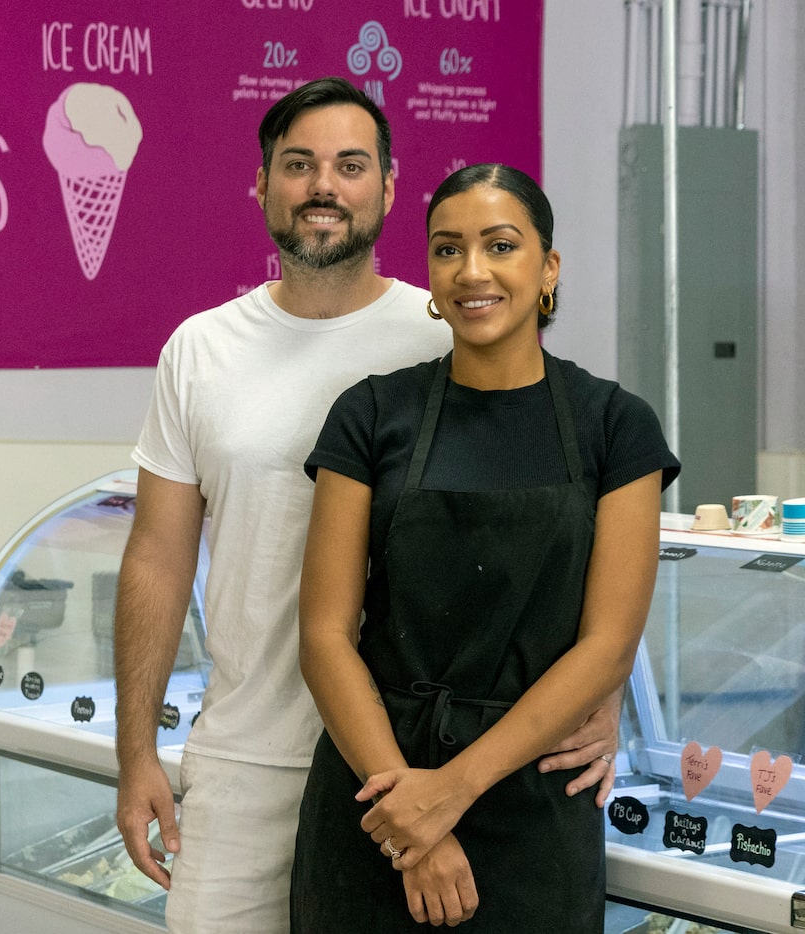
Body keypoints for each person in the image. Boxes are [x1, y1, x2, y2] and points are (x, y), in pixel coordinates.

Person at [113, 79, 625, 933]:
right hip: (244, 758)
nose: (323, 185)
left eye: (350, 166)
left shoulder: (454, 332)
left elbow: (555, 535)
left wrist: (601, 692)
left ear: (388, 190)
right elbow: (157, 559)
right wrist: (135, 754)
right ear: (262, 184)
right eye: (298, 164)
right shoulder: (200, 350)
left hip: (425, 770)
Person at [291, 163, 681, 931]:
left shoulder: (614, 427)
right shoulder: (370, 415)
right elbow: (323, 635)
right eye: (447, 250)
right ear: (431, 278)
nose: (472, 271)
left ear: (547, 268)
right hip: (375, 792)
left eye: (500, 246)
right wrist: (408, 813)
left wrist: (451, 792)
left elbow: (606, 647)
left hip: (528, 797)